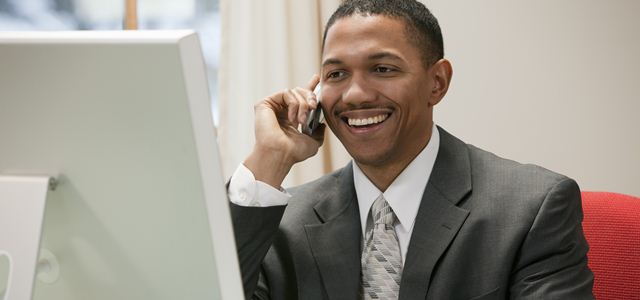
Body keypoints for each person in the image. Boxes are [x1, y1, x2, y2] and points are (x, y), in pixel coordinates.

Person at [227, 0, 594, 299]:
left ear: (437, 82)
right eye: (336, 74)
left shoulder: (531, 208)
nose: (355, 94)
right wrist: (271, 158)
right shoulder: (285, 223)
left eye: (382, 68)